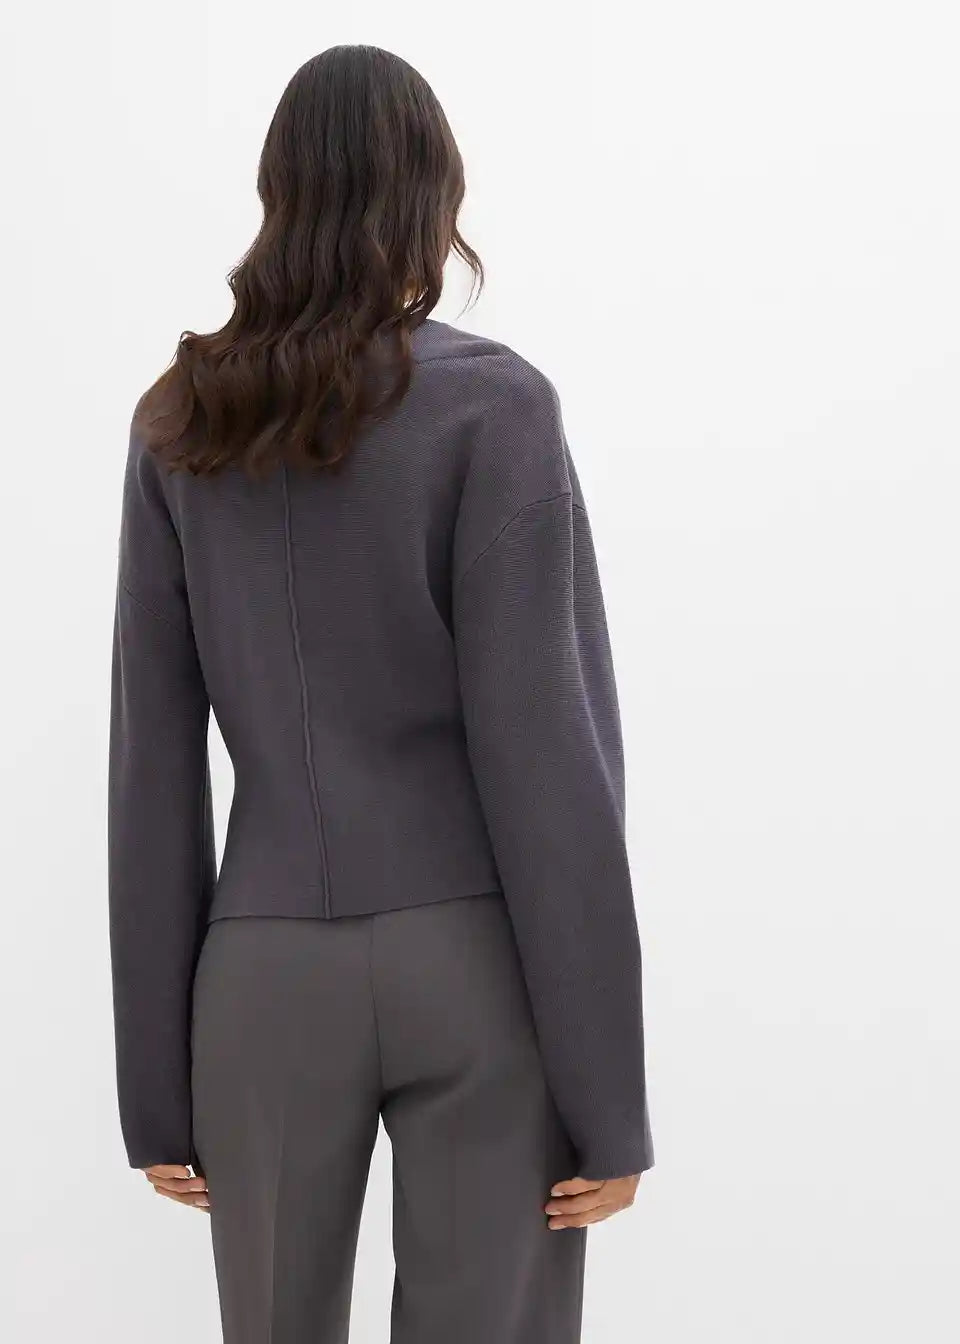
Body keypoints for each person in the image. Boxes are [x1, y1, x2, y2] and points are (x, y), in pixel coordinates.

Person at [107, 43, 653, 1344]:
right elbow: (548, 754)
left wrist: (154, 1087)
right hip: (472, 965)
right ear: (433, 197)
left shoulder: (181, 424)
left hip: (262, 973)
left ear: (278, 195)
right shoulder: (495, 410)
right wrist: (609, 1093)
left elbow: (153, 771)